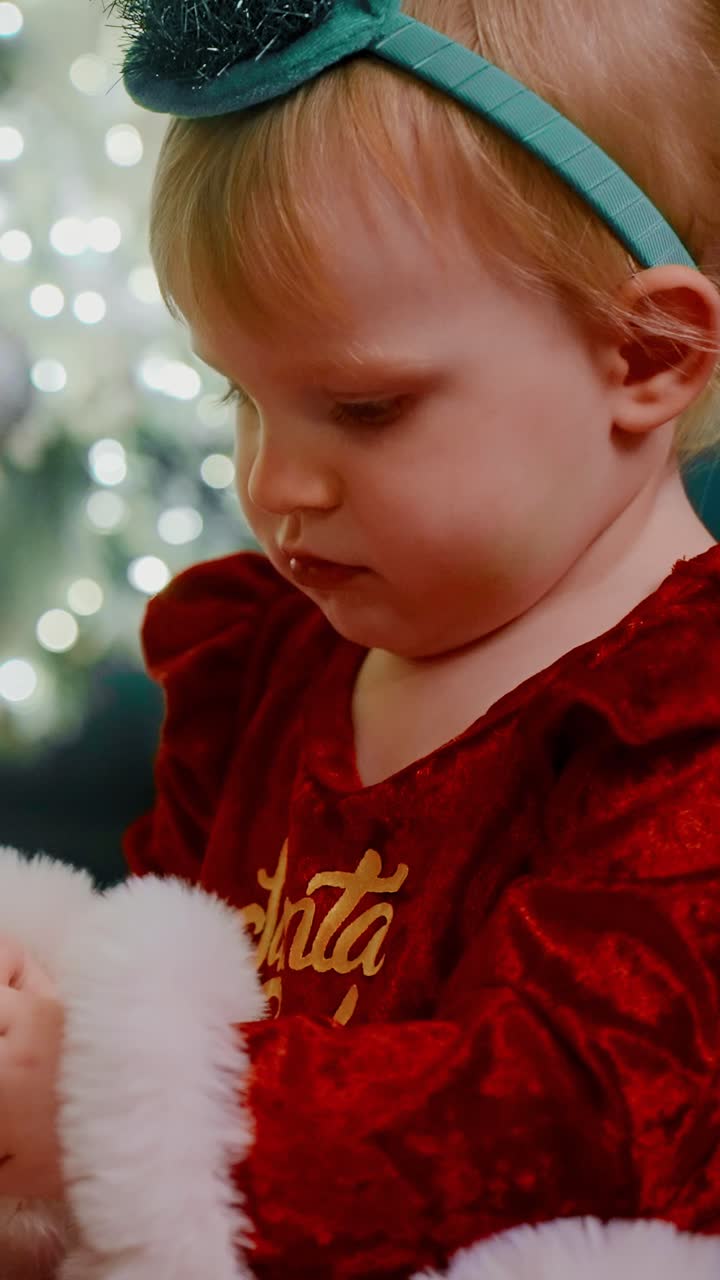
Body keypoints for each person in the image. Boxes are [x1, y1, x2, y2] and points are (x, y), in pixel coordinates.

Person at [2, 0, 720, 1276]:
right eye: (242, 396)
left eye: (363, 406)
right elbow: (170, 956)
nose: (276, 481)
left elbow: (585, 1122)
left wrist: (105, 1101)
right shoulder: (266, 667)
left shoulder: (679, 713)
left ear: (646, 349)